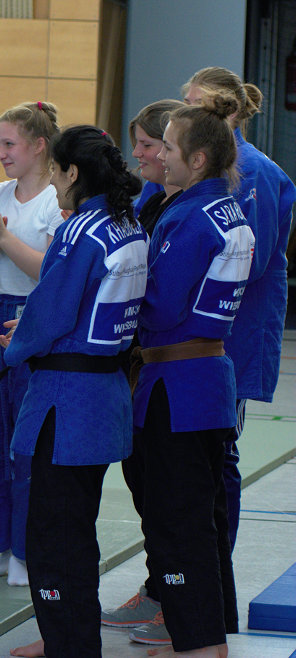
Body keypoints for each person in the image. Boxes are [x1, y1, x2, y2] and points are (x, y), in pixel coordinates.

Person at [0, 125, 146, 658]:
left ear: (73, 172)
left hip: (67, 400)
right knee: (76, 526)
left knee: (54, 536)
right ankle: (70, 638)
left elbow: (51, 310)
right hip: (105, 394)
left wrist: (18, 344)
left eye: (56, 171)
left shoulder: (80, 230)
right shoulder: (127, 225)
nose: (54, 181)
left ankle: (69, 643)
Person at [130, 92, 253, 657]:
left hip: (178, 384)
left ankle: (200, 643)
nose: (160, 156)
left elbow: (159, 305)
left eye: (170, 148)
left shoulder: (187, 217)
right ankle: (204, 634)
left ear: (198, 159)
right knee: (203, 514)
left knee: (177, 517)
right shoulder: (225, 208)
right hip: (206, 379)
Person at [183, 68, 294, 551]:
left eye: (195, 105)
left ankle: (214, 570)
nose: (184, 113)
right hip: (194, 333)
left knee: (218, 450)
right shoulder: (198, 167)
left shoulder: (256, 172)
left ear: (227, 112)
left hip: (234, 332)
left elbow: (254, 258)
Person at [0, 100, 61, 587]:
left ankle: (27, 548)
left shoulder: (56, 200)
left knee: (26, 440)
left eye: (9, 144)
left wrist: (1, 236)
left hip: (32, 318)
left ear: (39, 145)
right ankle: (1, 542)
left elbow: (50, 273)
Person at [99, 99, 185, 633]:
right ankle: (160, 591)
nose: (140, 155)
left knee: (173, 498)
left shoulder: (187, 213)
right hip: (142, 369)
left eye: (151, 145)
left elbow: (164, 301)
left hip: (173, 370)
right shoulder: (153, 205)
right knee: (145, 487)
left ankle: (179, 605)